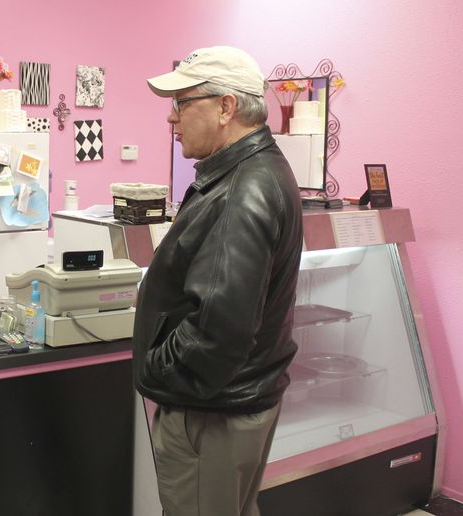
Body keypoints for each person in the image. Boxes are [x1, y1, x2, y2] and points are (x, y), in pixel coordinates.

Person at [134, 46, 303, 515]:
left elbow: (217, 334)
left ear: (226, 107)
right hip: (232, 402)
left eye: (182, 104)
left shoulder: (240, 191)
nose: (172, 119)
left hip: (208, 413)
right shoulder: (257, 170)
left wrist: (157, 368)